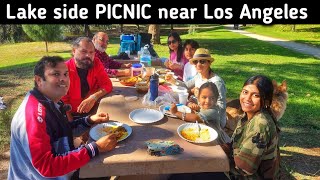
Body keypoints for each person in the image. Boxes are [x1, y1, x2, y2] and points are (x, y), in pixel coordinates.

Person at [8, 56, 117, 179]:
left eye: (66, 74)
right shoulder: (33, 115)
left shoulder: (50, 102)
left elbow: (61, 130)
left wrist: (89, 120)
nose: (63, 79)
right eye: (56, 74)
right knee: (105, 171)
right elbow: (47, 166)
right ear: (39, 80)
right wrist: (95, 148)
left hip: (61, 172)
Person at [221, 75, 280, 179]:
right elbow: (235, 144)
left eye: (255, 95)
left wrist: (215, 160)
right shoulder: (248, 115)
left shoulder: (260, 124)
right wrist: (219, 150)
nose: (247, 98)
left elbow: (244, 169)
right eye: (245, 92)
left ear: (266, 100)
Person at [166, 48, 227, 128]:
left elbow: (221, 107)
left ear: (209, 63)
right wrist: (173, 81)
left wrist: (201, 106)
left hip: (214, 122)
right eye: (195, 61)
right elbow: (186, 85)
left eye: (202, 61)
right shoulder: (199, 76)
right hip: (200, 112)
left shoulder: (216, 82)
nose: (198, 64)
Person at [61, 37, 113, 120]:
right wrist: (72, 127)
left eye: (91, 52)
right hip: (73, 116)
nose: (88, 55)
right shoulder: (63, 71)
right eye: (83, 51)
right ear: (74, 51)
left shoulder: (96, 62)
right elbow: (62, 104)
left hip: (94, 111)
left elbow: (107, 84)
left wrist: (93, 97)